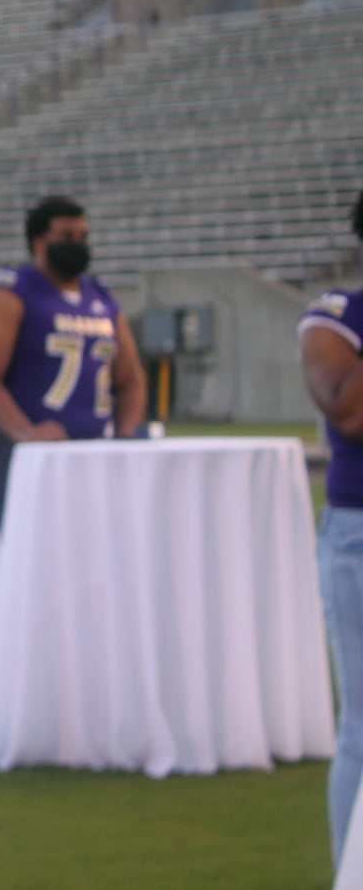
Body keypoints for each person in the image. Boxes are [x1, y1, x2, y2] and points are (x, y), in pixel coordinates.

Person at [0, 195, 146, 525]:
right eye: (66, 237)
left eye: (83, 237)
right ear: (39, 242)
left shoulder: (102, 297)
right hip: (22, 453)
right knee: (33, 559)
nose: (77, 245)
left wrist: (125, 436)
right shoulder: (10, 293)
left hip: (91, 449)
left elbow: (130, 379)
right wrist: (26, 433)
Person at [302, 189, 363, 866]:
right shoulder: (336, 317)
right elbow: (351, 412)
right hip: (359, 525)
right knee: (362, 726)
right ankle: (354, 864)